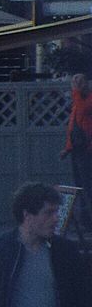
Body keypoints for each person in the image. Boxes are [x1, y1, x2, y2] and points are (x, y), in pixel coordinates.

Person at [63, 73, 92, 230]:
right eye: (75, 81)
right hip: (77, 150)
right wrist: (67, 148)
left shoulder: (87, 100)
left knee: (88, 186)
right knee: (80, 186)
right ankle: (86, 220)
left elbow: (83, 111)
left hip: (87, 151)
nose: (77, 84)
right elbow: (74, 127)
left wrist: (75, 91)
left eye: (81, 80)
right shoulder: (77, 101)